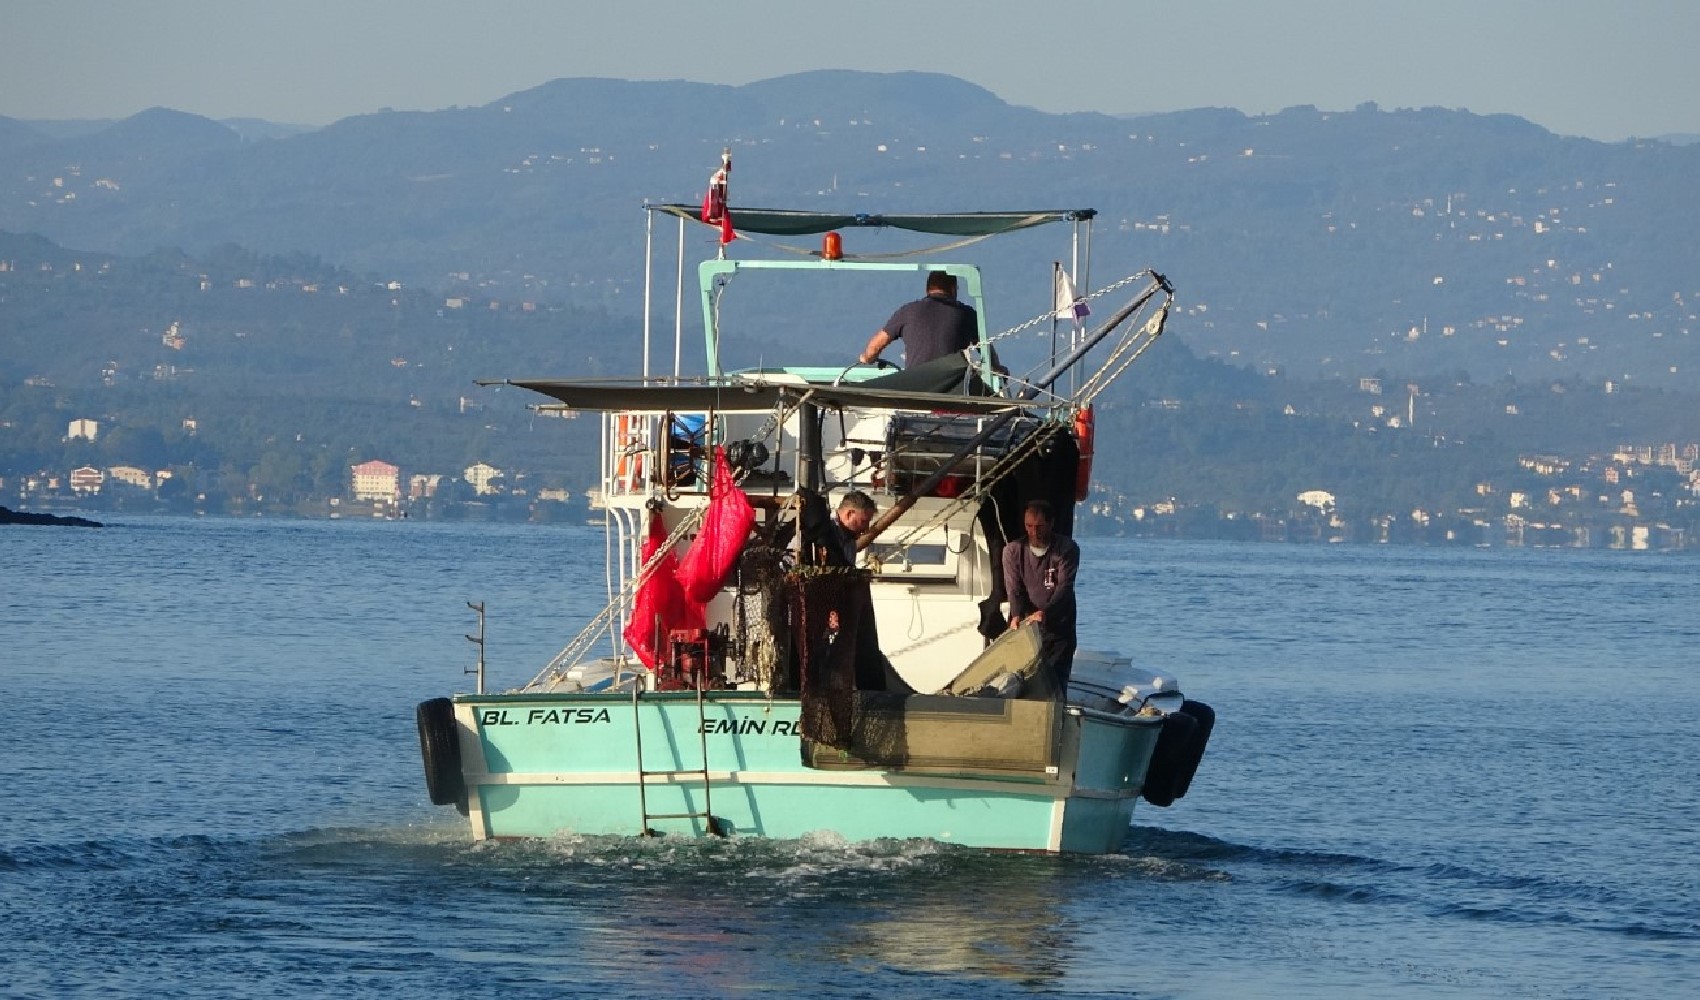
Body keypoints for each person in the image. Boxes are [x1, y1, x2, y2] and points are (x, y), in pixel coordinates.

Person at [1001, 499, 1080, 694]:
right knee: (1023, 680)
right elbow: (1014, 587)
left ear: (1051, 523)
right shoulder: (1013, 551)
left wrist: (1045, 612)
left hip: (1059, 627)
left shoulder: (1067, 549)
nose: (1034, 532)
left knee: (1056, 682)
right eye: (1029, 526)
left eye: (1039, 527)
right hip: (1027, 626)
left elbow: (1064, 587)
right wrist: (1017, 614)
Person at [859, 271, 979, 369]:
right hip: (953, 386)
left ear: (927, 289)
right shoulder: (967, 313)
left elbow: (874, 347)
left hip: (917, 385)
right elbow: (986, 352)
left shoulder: (907, 311)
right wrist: (996, 369)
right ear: (953, 289)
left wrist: (867, 358)